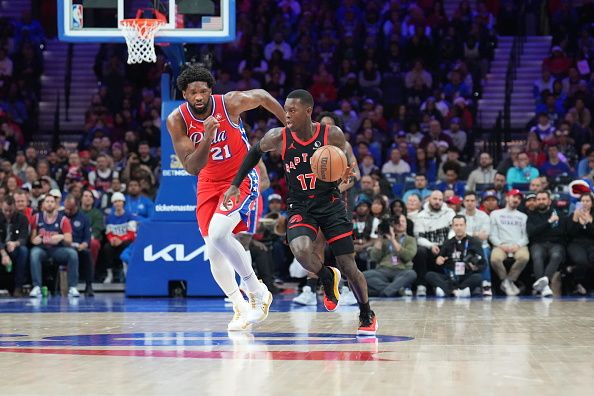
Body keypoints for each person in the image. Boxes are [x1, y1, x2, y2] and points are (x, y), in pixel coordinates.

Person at [224, 89, 377, 335]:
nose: (287, 115)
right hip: (300, 204)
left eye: (292, 111)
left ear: (308, 111)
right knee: (302, 252)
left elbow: (349, 164)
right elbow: (254, 152)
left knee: (348, 265)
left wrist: (345, 173)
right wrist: (234, 183)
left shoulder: (332, 134)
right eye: (285, 110)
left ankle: (365, 312)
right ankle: (327, 277)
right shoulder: (279, 137)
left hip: (330, 203)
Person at [166, 66, 285, 330]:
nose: (198, 96)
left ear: (211, 90)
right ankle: (239, 306)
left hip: (239, 178)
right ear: (184, 93)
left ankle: (257, 290)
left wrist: (289, 126)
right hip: (207, 182)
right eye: (192, 91)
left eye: (203, 91)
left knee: (220, 235)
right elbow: (192, 167)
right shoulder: (177, 120)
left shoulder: (229, 102)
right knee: (213, 252)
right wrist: (208, 136)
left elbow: (263, 96)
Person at [29, 194, 80, 298]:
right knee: (34, 253)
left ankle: (72, 287)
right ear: (43, 204)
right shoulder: (36, 217)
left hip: (57, 250)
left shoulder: (63, 220)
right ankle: (37, 287)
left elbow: (69, 240)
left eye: (52, 202)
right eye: (47, 201)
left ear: (56, 205)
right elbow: (33, 240)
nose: (49, 204)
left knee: (72, 253)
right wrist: (36, 240)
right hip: (42, 249)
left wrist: (61, 237)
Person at [426, 215, 485, 297]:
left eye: (461, 225)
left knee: (478, 277)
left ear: (465, 226)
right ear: (452, 227)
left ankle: (446, 290)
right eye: (456, 225)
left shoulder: (474, 242)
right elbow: (439, 261)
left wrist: (475, 266)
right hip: (450, 276)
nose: (459, 228)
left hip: (466, 276)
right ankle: (457, 292)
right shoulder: (448, 243)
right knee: (430, 275)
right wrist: (438, 260)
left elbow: (483, 264)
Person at [364, 214, 417, 297]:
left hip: (402, 271)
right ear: (392, 225)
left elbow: (408, 256)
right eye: (398, 222)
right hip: (382, 271)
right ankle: (395, 290)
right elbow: (374, 257)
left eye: (403, 221)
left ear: (407, 224)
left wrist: (392, 239)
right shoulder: (383, 239)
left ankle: (384, 291)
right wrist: (380, 238)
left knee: (412, 274)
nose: (400, 223)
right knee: (364, 275)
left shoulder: (410, 239)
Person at [489, 189, 529, 296]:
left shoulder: (523, 216)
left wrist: (518, 245)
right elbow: (492, 234)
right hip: (501, 244)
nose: (516, 200)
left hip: (518, 245)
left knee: (524, 257)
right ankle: (504, 280)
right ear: (507, 198)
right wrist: (501, 245)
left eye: (519, 198)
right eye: (514, 197)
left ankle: (509, 281)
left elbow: (526, 236)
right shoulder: (495, 214)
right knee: (495, 259)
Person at [526, 191, 565, 297]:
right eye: (538, 199)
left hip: (555, 243)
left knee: (556, 255)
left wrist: (542, 229)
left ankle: (543, 285)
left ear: (549, 201)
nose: (541, 201)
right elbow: (532, 232)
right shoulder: (531, 216)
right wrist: (549, 223)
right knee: (537, 256)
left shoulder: (558, 214)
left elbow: (561, 232)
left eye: (544, 199)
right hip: (538, 243)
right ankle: (545, 287)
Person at [460, 191, 492, 296]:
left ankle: (486, 284)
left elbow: (484, 236)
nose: (470, 203)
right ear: (463, 202)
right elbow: (457, 233)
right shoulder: (459, 216)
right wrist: (475, 234)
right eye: (467, 201)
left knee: (482, 253)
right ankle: (460, 285)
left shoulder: (484, 216)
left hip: (482, 246)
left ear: (477, 202)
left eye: (472, 201)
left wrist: (467, 234)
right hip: (464, 246)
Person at [63, 195, 94, 297]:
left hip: (78, 246)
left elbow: (87, 237)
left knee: (87, 254)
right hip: (63, 246)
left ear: (76, 207)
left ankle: (89, 285)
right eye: (66, 208)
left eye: (70, 209)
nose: (67, 211)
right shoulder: (60, 216)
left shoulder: (84, 218)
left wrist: (84, 244)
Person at [0, 196, 29, 297]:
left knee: (23, 251)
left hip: (14, 247)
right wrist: (3, 253)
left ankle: (18, 287)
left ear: (14, 208)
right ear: (1, 207)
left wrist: (15, 243)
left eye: (10, 211)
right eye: (5, 210)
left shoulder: (22, 218)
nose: (8, 213)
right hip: (1, 248)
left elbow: (24, 238)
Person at [566, 193, 594, 295]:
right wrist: (575, 219)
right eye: (583, 201)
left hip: (591, 243)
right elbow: (569, 233)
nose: (585, 203)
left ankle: (589, 285)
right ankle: (577, 283)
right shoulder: (573, 215)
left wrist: (590, 222)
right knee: (581, 261)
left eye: (588, 201)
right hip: (575, 243)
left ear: (592, 203)